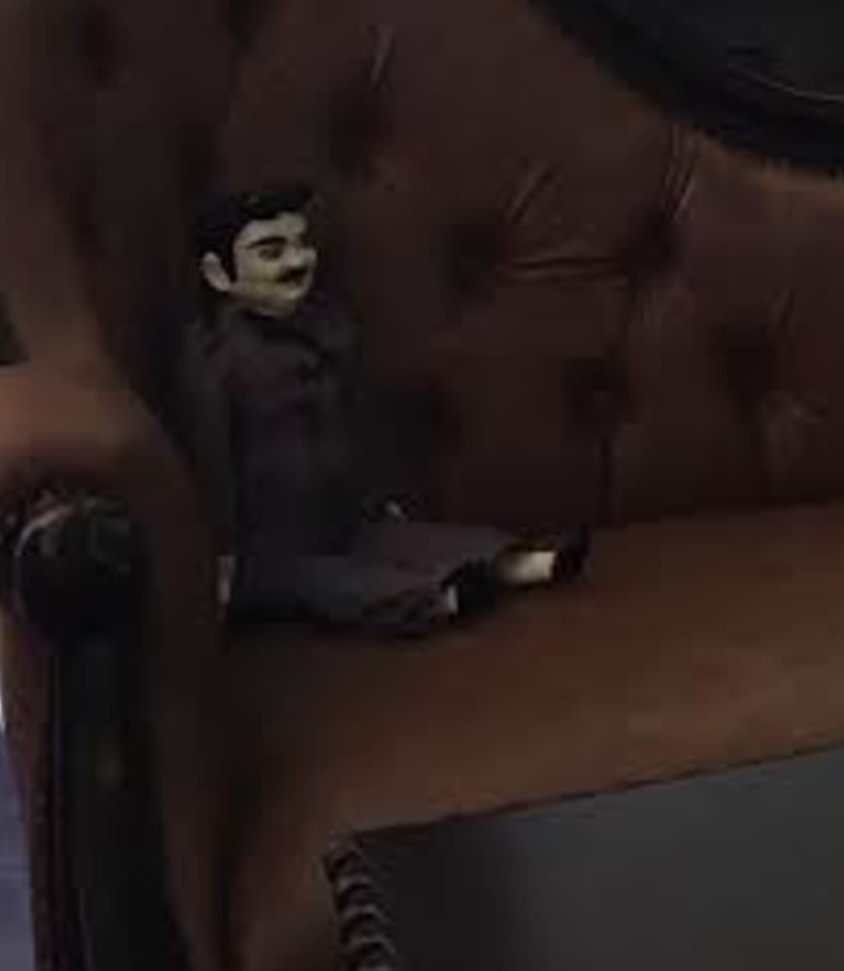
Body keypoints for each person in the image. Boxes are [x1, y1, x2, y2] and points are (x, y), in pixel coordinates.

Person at [176, 184, 584, 634]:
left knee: (413, 541)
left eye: (301, 244)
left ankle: (512, 563)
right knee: (333, 585)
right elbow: (210, 453)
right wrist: (222, 554)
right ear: (218, 273)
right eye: (271, 252)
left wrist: (383, 493)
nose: (297, 261)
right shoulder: (217, 356)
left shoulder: (329, 325)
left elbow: (363, 423)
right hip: (277, 543)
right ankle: (438, 598)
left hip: (350, 513)